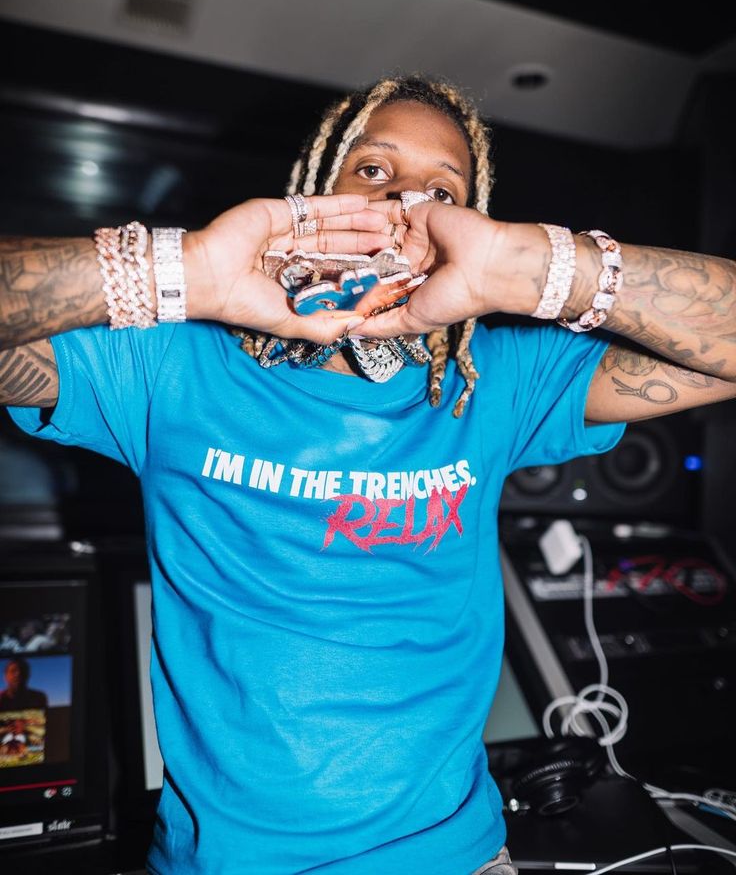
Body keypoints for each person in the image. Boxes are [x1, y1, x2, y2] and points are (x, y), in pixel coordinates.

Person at [1, 73, 735, 875]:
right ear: (317, 192)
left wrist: (525, 264)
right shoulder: (169, 364)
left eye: (441, 192)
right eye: (376, 173)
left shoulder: (494, 383)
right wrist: (191, 274)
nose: (402, 209)